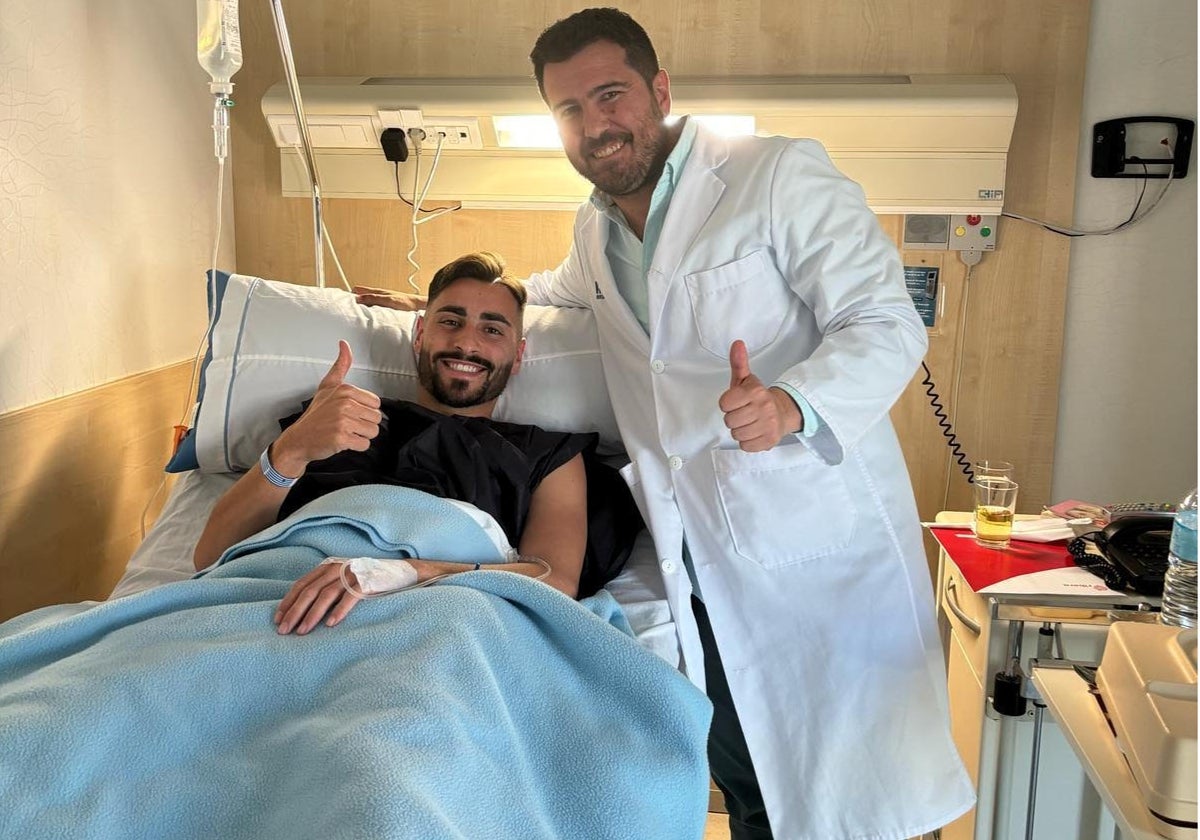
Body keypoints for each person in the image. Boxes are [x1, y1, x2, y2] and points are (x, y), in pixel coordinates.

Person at [356, 10, 974, 839]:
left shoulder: (775, 175)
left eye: (610, 95)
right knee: (750, 783)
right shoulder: (595, 229)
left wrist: (796, 403)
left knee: (856, 802)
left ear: (659, 91)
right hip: (694, 559)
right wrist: (429, 309)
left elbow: (887, 320)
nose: (594, 124)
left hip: (810, 548)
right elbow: (547, 296)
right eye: (569, 110)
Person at [194, 252, 596, 637]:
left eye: (492, 329)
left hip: (440, 622)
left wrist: (406, 572)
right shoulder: (336, 417)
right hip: (282, 603)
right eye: (451, 321)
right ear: (419, 335)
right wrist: (292, 450)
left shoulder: (547, 456)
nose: (466, 344)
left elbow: (553, 580)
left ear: (519, 353)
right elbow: (211, 555)